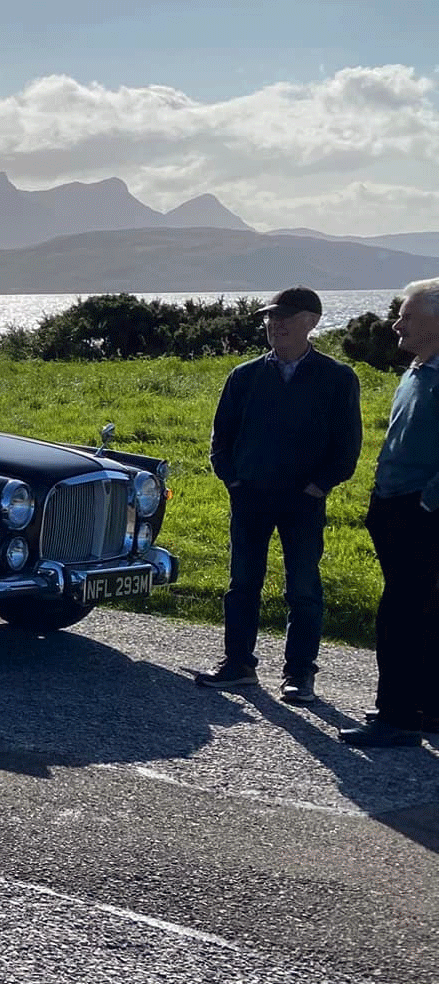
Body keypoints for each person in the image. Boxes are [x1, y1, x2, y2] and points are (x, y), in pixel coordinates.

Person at [194, 286, 362, 703]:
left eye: (285, 317)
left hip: (303, 502)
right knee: (242, 583)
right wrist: (233, 481)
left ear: (312, 321)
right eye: (270, 317)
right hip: (250, 497)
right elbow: (221, 440)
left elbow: (347, 448)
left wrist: (317, 488)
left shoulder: (337, 378)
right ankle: (238, 665)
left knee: (303, 588)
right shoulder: (245, 376)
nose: (275, 324)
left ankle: (299, 674)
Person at [340, 278, 439, 746]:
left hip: (420, 511)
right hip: (398, 504)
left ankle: (397, 716)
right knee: (421, 609)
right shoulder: (421, 367)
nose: (396, 323)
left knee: (402, 612)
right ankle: (424, 708)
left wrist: (427, 501)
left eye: (407, 315)